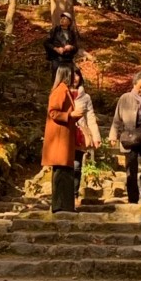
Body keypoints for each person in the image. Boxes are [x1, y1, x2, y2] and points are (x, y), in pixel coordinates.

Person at [43, 63, 85, 211]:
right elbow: (53, 112)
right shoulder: (60, 90)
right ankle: (60, 206)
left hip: (65, 138)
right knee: (61, 172)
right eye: (72, 74)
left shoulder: (64, 90)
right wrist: (70, 115)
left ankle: (65, 205)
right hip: (59, 139)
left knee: (66, 171)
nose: (75, 77)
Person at [112, 71, 141, 203]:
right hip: (130, 136)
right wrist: (113, 135)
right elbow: (117, 118)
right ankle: (133, 198)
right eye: (140, 87)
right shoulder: (125, 98)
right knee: (131, 169)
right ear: (134, 84)